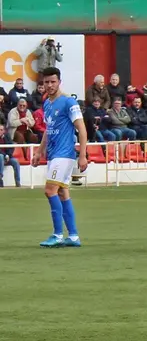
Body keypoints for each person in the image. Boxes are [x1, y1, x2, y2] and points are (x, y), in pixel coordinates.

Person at [32, 67, 88, 248]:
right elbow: (48, 130)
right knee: (63, 193)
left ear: (59, 82)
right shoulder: (47, 103)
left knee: (50, 191)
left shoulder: (68, 102)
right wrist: (39, 151)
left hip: (64, 154)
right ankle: (73, 236)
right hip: (53, 154)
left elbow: (82, 128)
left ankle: (57, 235)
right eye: (46, 82)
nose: (49, 85)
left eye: (53, 82)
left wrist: (83, 155)